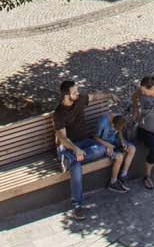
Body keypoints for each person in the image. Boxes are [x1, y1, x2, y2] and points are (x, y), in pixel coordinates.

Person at [52, 78, 132, 208]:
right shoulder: (59, 114)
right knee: (76, 166)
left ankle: (71, 159)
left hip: (85, 143)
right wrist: (75, 149)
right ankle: (77, 204)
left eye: (77, 91)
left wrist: (110, 94)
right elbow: (62, 138)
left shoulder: (79, 100)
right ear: (66, 95)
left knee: (100, 148)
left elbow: (94, 96)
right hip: (69, 145)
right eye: (74, 92)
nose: (77, 94)